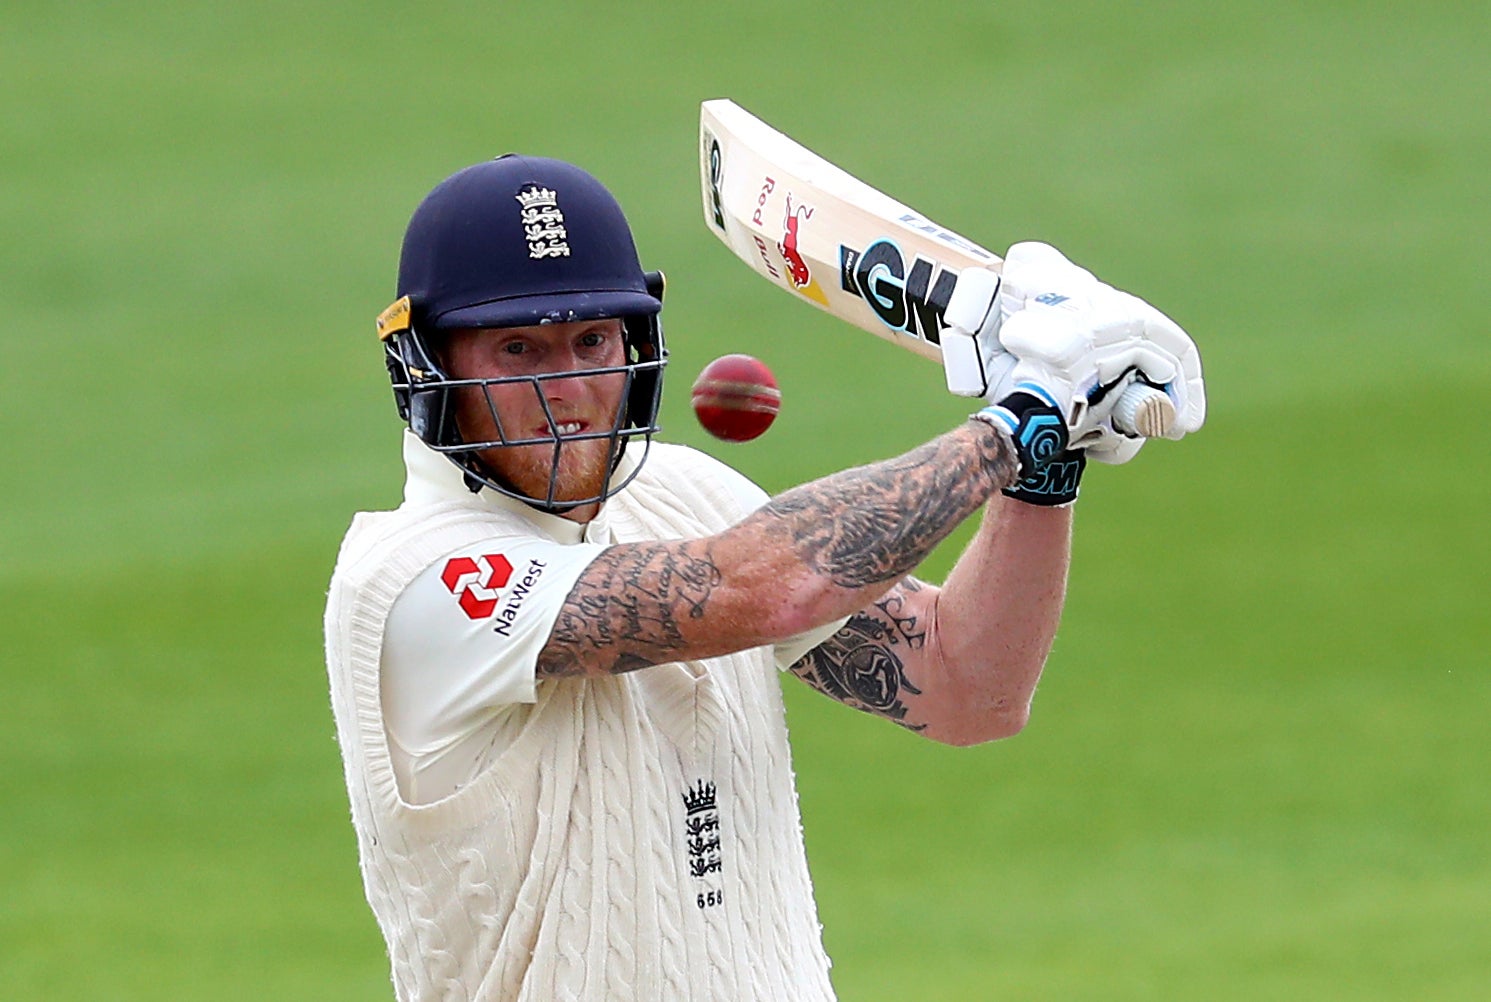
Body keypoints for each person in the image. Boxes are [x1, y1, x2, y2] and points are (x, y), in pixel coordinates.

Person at [324, 154, 1205, 1001]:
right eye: (518, 350)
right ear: (428, 365)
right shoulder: (414, 580)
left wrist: (1044, 471)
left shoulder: (686, 493)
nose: (567, 388)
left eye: (591, 339)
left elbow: (969, 686)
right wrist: (1013, 423)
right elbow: (764, 588)